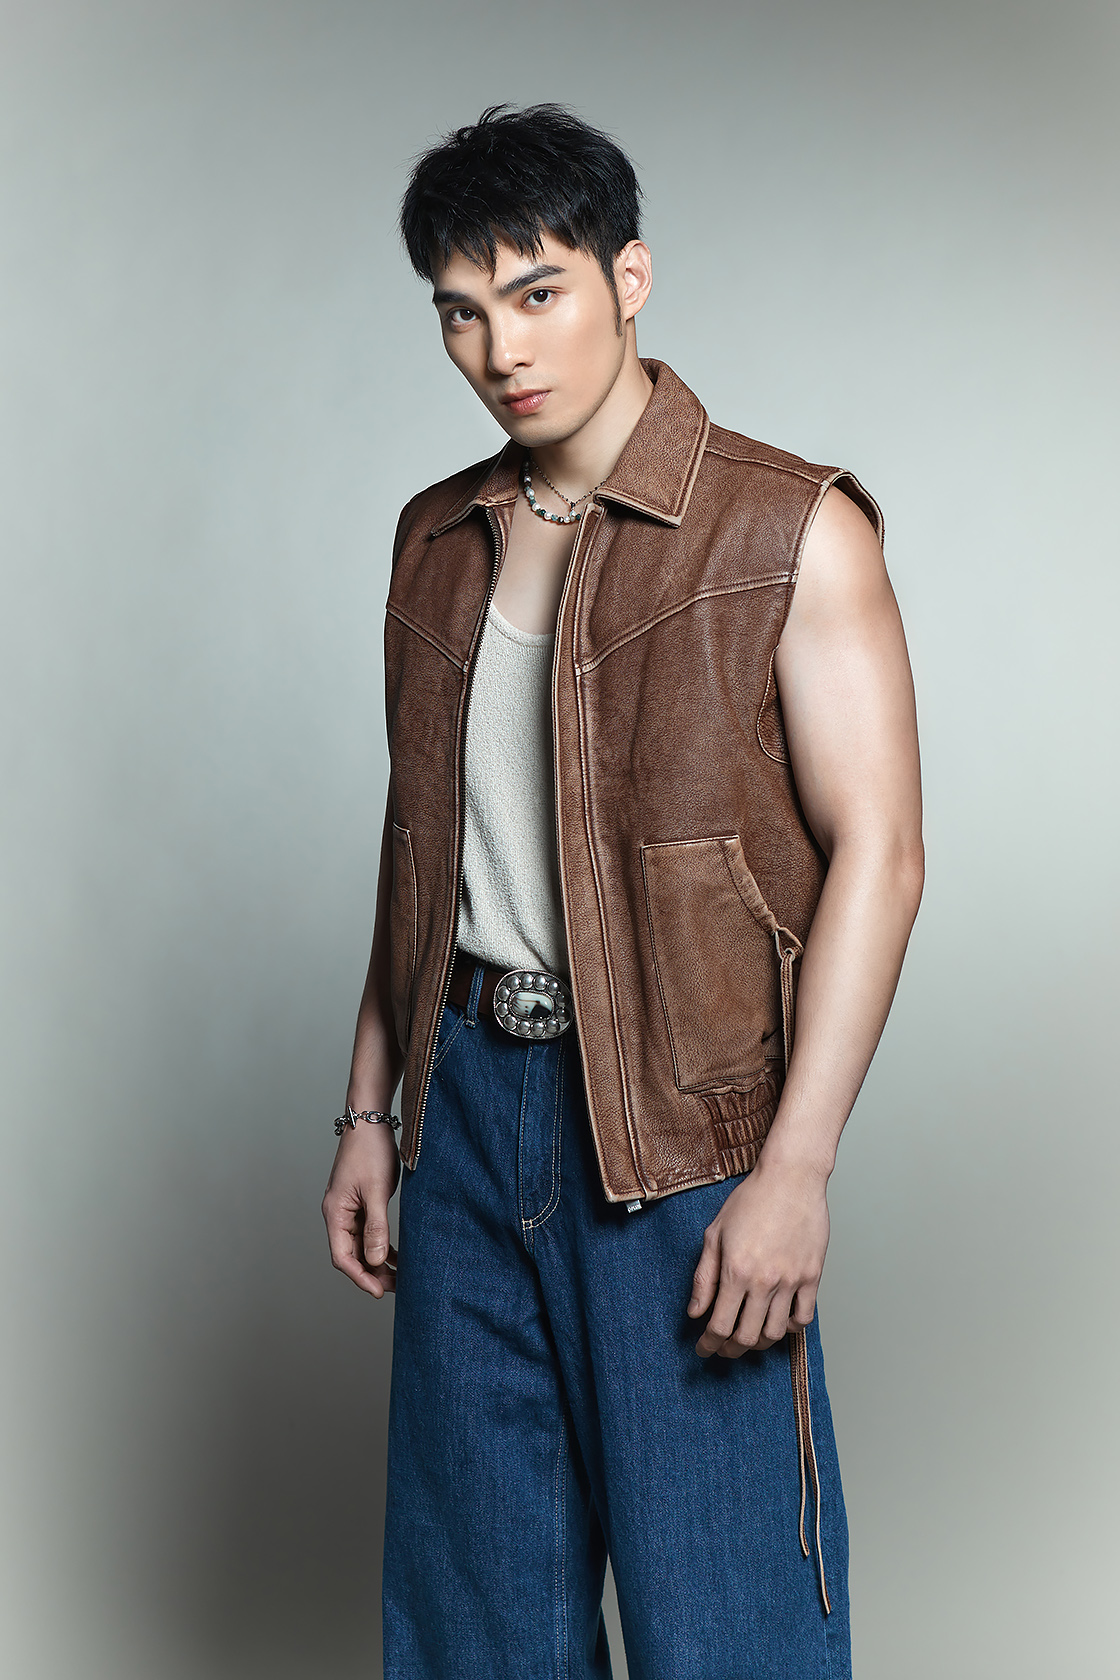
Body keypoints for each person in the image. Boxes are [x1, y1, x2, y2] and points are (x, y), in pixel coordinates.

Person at [321, 103, 923, 1680]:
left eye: (538, 292)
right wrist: (373, 1110)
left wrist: (797, 1169)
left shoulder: (789, 527)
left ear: (629, 276)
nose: (501, 348)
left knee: (729, 1622)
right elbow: (419, 842)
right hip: (465, 1117)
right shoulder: (437, 541)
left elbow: (883, 852)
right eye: (462, 310)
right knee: (476, 1625)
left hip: (685, 1133)